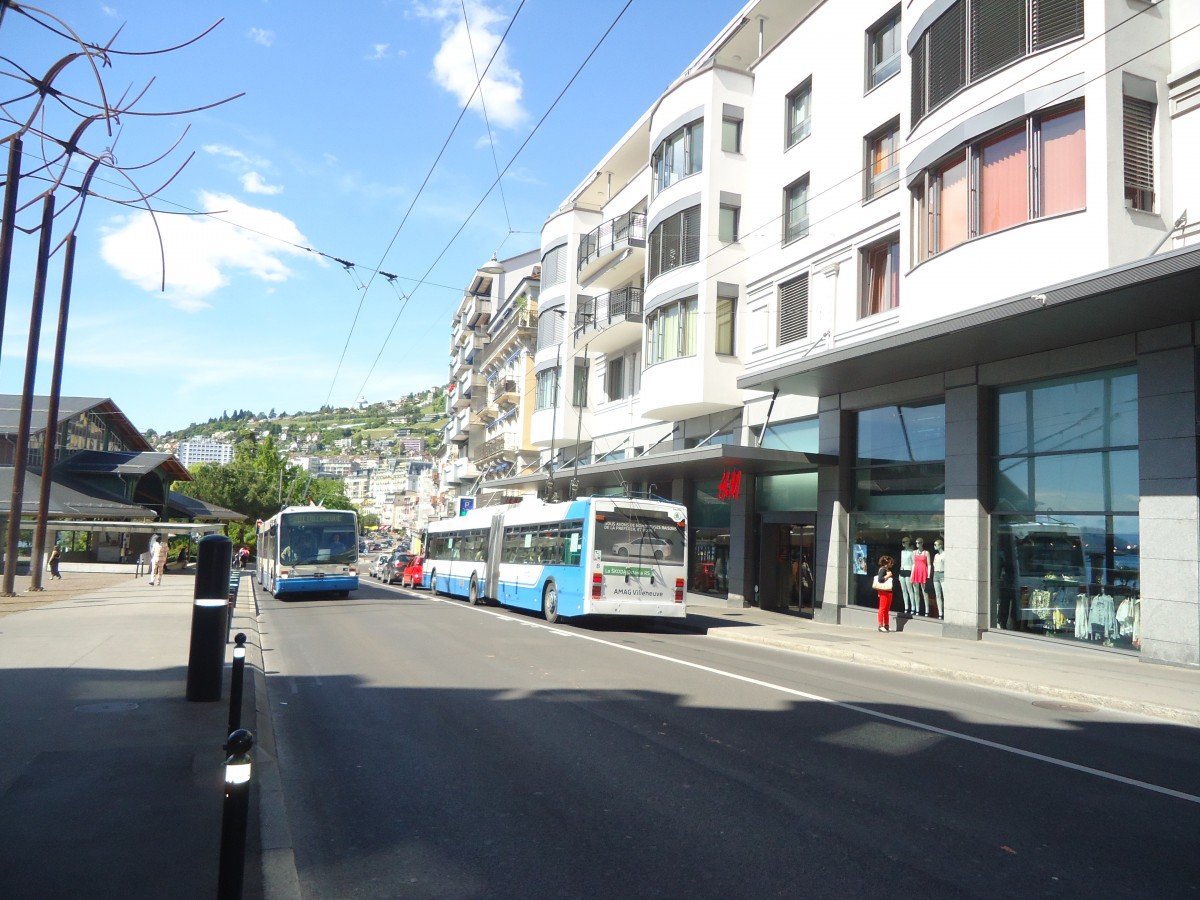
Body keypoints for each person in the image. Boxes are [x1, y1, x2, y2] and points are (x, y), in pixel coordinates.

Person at [872, 554, 895, 632]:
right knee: (882, 608)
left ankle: (886, 625)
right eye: (890, 563)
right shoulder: (883, 569)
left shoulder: (887, 569)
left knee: (886, 609)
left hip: (888, 591)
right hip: (884, 591)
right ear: (887, 562)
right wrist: (888, 576)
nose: (892, 564)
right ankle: (880, 625)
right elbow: (880, 580)